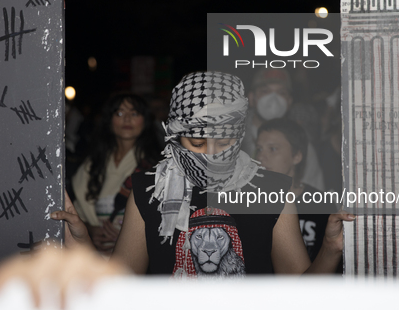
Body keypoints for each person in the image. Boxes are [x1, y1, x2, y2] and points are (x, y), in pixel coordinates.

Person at [59, 71, 354, 276]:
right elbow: (121, 285)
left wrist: (329, 249)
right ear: (174, 138)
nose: (212, 154)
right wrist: (82, 244)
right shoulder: (149, 191)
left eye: (224, 143)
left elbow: (298, 291)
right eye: (197, 143)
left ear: (239, 137)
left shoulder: (272, 190)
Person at [71, 94, 162, 253]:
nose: (127, 119)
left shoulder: (156, 166)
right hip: (92, 257)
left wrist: (130, 235)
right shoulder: (91, 165)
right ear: (109, 121)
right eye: (119, 113)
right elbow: (76, 213)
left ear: (145, 120)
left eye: (134, 113)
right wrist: (91, 230)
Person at [255, 118, 338, 263]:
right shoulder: (251, 201)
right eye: (259, 149)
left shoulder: (320, 203)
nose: (261, 157)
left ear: (297, 156)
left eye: (273, 149)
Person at [241, 69, 328, 191]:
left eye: (281, 93)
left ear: (289, 101)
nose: (273, 98)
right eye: (265, 91)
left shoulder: (301, 146)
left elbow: (314, 198)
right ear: (251, 98)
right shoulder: (232, 140)